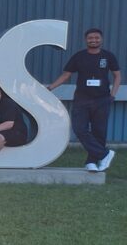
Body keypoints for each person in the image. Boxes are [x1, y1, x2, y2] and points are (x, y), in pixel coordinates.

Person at [47, 28, 120, 172]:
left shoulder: (108, 56)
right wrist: (50, 88)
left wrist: (113, 95)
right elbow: (66, 75)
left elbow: (117, 75)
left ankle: (92, 162)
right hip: (82, 99)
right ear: (86, 40)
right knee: (79, 128)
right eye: (90, 38)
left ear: (101, 39)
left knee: (99, 132)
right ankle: (104, 154)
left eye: (96, 38)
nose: (94, 40)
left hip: (102, 99)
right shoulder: (79, 57)